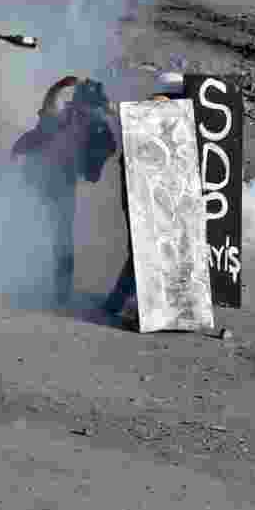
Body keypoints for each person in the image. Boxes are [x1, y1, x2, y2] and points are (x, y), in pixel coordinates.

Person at [11, 76, 118, 308]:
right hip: (38, 176)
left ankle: (60, 294)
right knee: (30, 229)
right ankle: (20, 280)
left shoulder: (97, 126)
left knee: (61, 238)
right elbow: (47, 111)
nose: (87, 109)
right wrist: (59, 86)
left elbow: (109, 146)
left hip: (62, 183)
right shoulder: (65, 116)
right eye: (87, 104)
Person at [101, 71, 188, 327]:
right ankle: (136, 308)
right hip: (146, 195)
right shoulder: (152, 114)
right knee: (146, 250)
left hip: (146, 195)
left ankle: (117, 303)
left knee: (142, 250)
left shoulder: (144, 115)